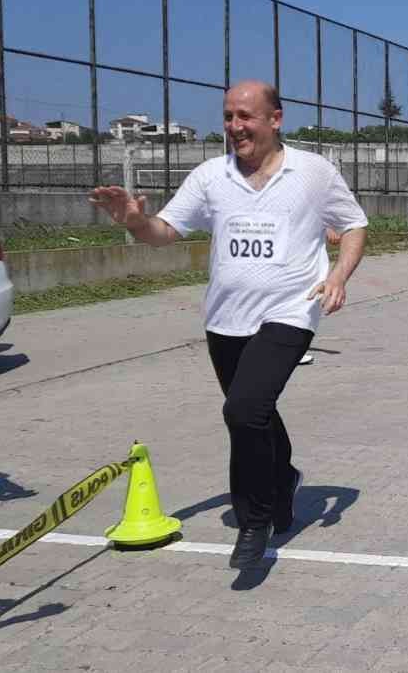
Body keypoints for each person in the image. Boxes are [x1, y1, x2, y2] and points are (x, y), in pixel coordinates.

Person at [89, 80, 369, 568]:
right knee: (255, 410)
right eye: (228, 117)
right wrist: (134, 221)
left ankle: (253, 520)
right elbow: (166, 232)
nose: (235, 127)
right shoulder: (210, 176)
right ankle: (283, 481)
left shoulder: (313, 172)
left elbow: (353, 225)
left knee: (243, 411)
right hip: (225, 318)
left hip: (291, 309)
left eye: (245, 116)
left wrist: (339, 276)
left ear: (275, 119)